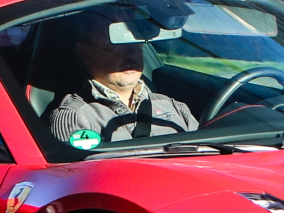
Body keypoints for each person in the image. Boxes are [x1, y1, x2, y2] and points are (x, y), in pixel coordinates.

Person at [46, 9, 197, 149]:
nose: (130, 53)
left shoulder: (174, 107)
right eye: (117, 40)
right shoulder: (75, 117)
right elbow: (80, 175)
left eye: (135, 40)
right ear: (85, 53)